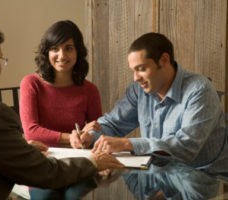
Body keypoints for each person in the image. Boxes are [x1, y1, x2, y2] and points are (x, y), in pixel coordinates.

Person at [0, 20, 124, 200]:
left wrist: (24, 149)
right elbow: (44, 173)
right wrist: (93, 162)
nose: (1, 67)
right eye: (1, 59)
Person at [78, 32, 228, 175]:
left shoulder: (199, 90)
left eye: (141, 69)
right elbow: (112, 123)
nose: (136, 78)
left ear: (164, 60)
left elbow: (187, 147)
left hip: (206, 181)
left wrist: (127, 144)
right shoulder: (139, 89)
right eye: (133, 70)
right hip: (157, 177)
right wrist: (90, 136)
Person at [20, 20, 102, 148]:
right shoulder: (31, 83)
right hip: (42, 159)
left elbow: (97, 132)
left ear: (78, 52)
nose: (62, 56)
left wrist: (87, 135)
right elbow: (31, 132)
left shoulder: (90, 90)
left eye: (68, 48)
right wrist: (71, 137)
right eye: (54, 49)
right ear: (47, 53)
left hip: (78, 159)